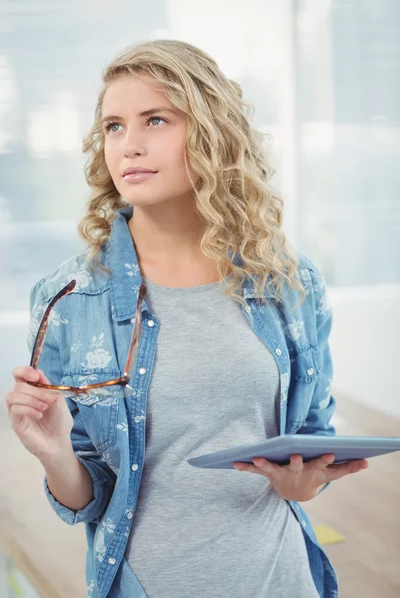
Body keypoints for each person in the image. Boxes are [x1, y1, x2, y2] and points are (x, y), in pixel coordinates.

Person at [6, 39, 368, 598]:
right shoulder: (70, 299)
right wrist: (54, 454)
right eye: (114, 127)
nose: (129, 145)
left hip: (283, 581)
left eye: (155, 120)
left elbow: (312, 442)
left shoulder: (288, 283)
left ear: (211, 135)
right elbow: (86, 496)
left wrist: (304, 482)